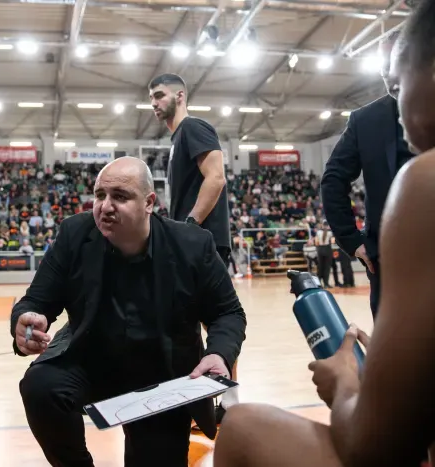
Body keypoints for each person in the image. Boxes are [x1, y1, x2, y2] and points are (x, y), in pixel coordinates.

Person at [213, 0, 435, 464]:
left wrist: (346, 384)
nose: (393, 102)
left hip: (389, 257)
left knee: (241, 426)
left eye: (398, 82)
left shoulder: (424, 182)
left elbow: (374, 445)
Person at [11, 156, 247, 466]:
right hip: (91, 362)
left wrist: (218, 354)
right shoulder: (74, 233)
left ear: (149, 202)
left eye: (119, 197)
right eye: (99, 195)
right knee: (41, 387)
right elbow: (36, 302)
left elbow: (228, 312)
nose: (105, 206)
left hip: (162, 376)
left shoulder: (193, 245)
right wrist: (26, 322)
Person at [148, 73, 237, 421]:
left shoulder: (194, 127)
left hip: (204, 242)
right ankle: (211, 404)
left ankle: (229, 405)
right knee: (196, 323)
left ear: (180, 95)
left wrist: (190, 226)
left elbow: (216, 177)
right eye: (151, 98)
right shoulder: (177, 139)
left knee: (216, 322)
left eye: (159, 95)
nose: (154, 103)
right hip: (192, 242)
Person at [320, 31, 415, 318]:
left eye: (392, 62)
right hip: (387, 256)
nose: (386, 72)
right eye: (381, 64)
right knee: (395, 351)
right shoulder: (365, 120)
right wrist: (352, 239)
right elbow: (333, 179)